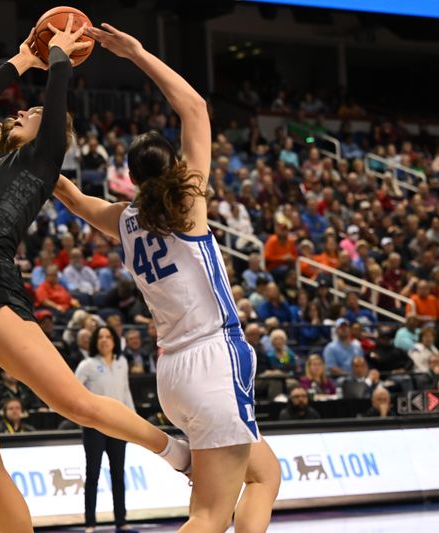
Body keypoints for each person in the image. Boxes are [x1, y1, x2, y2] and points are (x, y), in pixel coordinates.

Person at [0, 22, 190, 533]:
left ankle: (173, 451)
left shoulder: (40, 162)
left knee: (70, 401)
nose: (22, 110)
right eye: (20, 110)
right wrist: (24, 59)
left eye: (31, 111)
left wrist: (58, 60)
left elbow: (53, 114)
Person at [53, 22, 280, 533]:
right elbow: (195, 108)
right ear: (175, 167)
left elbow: (69, 195)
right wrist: (135, 53)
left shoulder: (124, 219)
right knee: (209, 516)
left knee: (265, 474)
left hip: (173, 374)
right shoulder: (187, 203)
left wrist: (27, 152)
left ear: (131, 178)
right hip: (211, 361)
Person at [75, 325, 135, 533]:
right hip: (94, 428)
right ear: (94, 341)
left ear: (114, 341)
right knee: (92, 475)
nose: (104, 340)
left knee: (118, 475)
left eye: (108, 336)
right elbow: (72, 392)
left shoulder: (122, 363)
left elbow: (126, 393)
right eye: (100, 337)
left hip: (119, 427)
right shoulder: (87, 365)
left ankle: (121, 521)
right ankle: (90, 523)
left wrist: (133, 423)